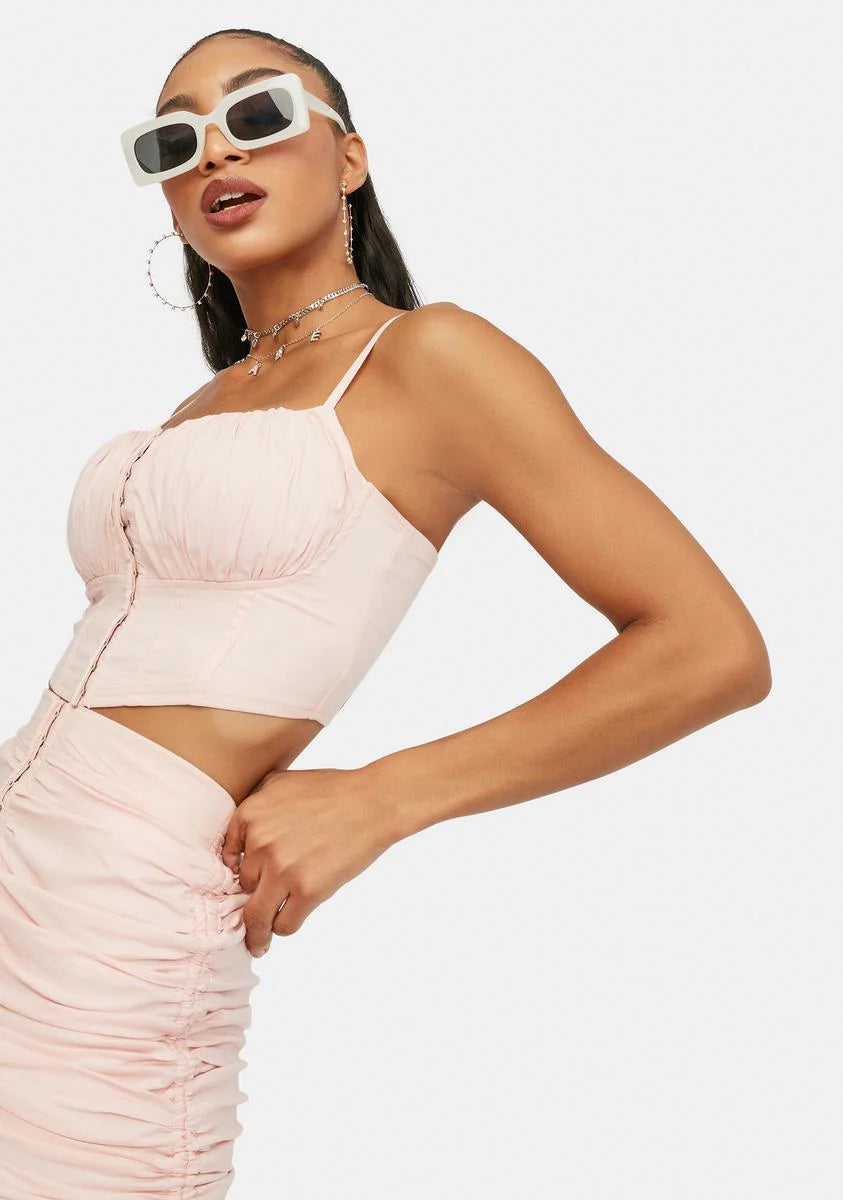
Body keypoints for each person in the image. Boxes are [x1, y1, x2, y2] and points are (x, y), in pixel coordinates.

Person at [0, 24, 772, 1200]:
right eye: (175, 140)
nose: (216, 151)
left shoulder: (431, 360)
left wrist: (382, 797)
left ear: (350, 157)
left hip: (123, 932)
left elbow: (713, 647)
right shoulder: (208, 403)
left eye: (257, 114)